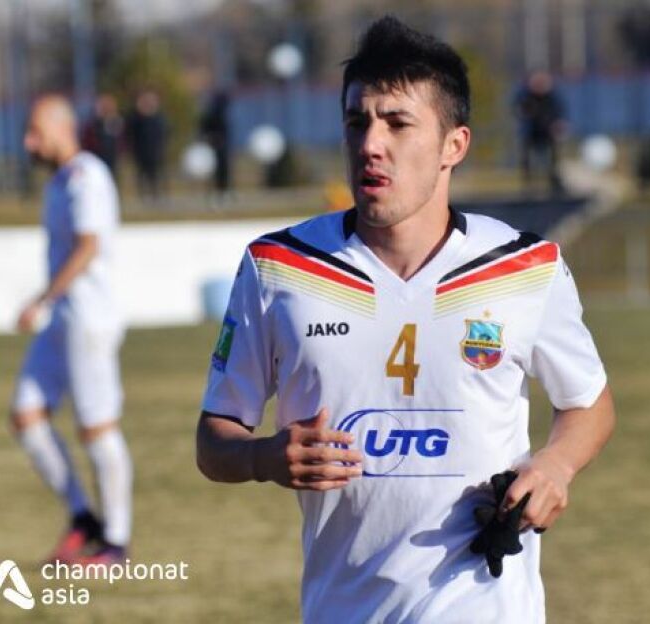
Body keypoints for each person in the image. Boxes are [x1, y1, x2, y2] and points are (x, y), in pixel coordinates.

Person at [196, 16, 614, 623]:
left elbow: (590, 403)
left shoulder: (525, 267)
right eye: (356, 122)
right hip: (341, 608)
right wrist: (264, 459)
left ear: (454, 145)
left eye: (397, 123)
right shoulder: (277, 268)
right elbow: (214, 439)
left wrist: (555, 465)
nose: (371, 143)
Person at [12, 94, 132, 566]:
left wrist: (42, 299)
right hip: (61, 320)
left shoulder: (88, 176)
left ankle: (116, 542)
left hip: (88, 320)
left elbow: (88, 245)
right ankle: (84, 519)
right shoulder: (58, 182)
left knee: (97, 428)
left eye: (35, 133)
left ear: (62, 129)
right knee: (26, 415)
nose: (28, 143)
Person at [514, 69, 568, 194]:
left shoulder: (552, 97)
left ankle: (554, 180)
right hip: (531, 132)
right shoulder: (526, 95)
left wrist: (558, 125)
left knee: (553, 157)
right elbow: (519, 109)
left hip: (547, 132)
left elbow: (560, 114)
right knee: (527, 156)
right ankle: (528, 183)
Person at [126, 88, 167, 200]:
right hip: (141, 150)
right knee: (141, 173)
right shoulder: (137, 117)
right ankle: (143, 194)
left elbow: (164, 132)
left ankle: (156, 194)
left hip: (155, 150)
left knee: (156, 173)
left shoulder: (158, 117)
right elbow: (130, 129)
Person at [80, 93, 124, 181]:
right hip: (97, 158)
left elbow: (121, 140)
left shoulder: (116, 122)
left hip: (112, 158)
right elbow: (87, 141)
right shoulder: (93, 124)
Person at [199, 90, 233, 194]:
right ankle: (219, 189)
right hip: (214, 144)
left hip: (220, 144)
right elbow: (205, 128)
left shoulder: (220, 112)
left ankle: (222, 189)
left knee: (223, 168)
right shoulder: (214, 113)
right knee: (215, 169)